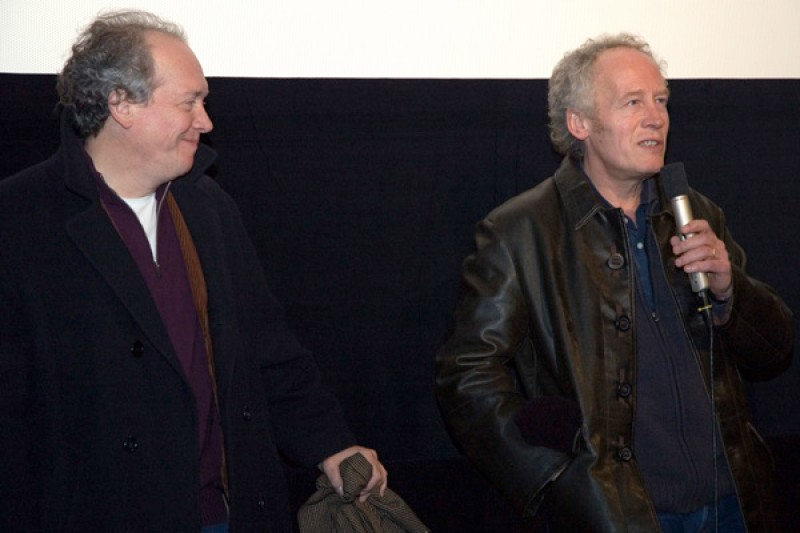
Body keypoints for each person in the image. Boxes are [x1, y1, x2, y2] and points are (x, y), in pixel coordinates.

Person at [0, 10, 386, 532]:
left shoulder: (208, 208)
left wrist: (331, 446)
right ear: (122, 105)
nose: (205, 121)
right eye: (190, 102)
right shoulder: (21, 221)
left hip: (226, 515)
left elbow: (268, 351)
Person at [435, 33, 793, 531]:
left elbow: (776, 353)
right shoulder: (521, 232)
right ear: (579, 123)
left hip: (735, 505)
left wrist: (732, 291)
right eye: (632, 102)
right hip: (620, 517)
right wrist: (556, 475)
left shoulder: (695, 212)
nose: (656, 116)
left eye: (661, 100)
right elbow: (467, 376)